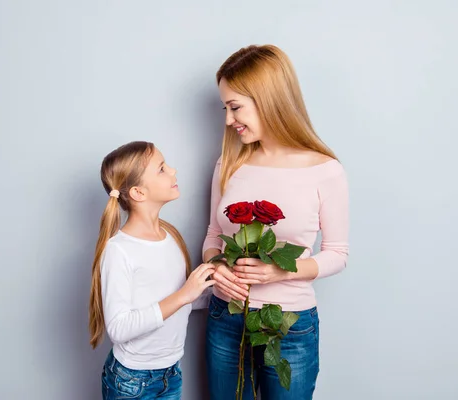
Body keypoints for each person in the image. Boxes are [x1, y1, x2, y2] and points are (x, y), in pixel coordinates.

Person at [203, 45, 350, 399]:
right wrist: (215, 267)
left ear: (268, 99)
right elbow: (213, 236)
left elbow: (337, 254)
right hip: (226, 318)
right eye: (226, 108)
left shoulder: (325, 170)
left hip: (290, 327)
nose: (228, 119)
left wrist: (282, 272)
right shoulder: (229, 164)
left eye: (235, 107)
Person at [89, 141, 216, 400]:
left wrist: (216, 289)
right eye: (161, 169)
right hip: (132, 382)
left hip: (170, 373)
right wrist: (184, 295)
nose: (173, 171)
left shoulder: (170, 236)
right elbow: (119, 328)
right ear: (138, 193)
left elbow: (182, 300)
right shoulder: (119, 250)